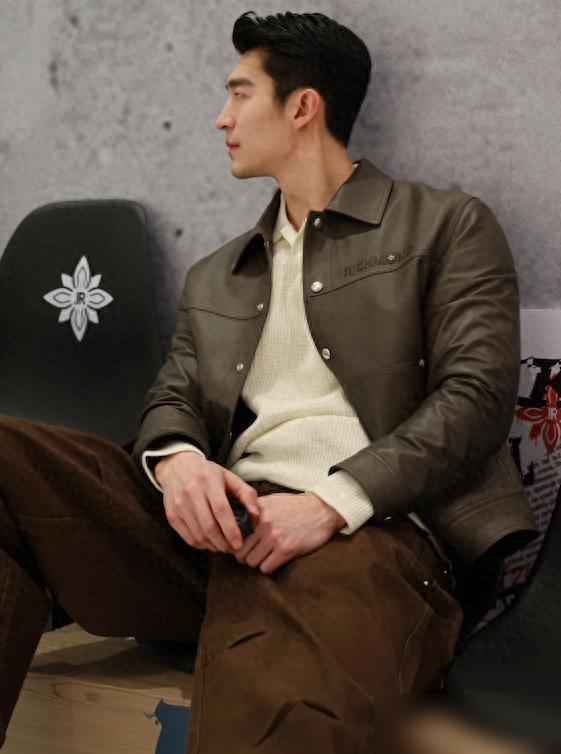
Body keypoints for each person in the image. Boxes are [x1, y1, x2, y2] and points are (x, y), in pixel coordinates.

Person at [0, 10, 537, 753]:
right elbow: (173, 396)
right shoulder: (217, 274)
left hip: (363, 540)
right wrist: (177, 463)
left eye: (239, 93)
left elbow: (475, 399)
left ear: (302, 106)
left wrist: (327, 505)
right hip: (208, 536)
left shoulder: (445, 226)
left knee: (281, 712)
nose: (221, 118)